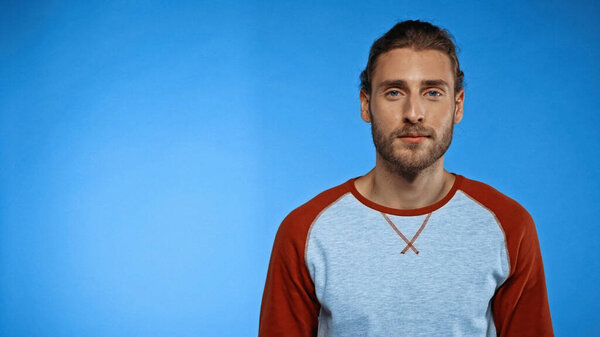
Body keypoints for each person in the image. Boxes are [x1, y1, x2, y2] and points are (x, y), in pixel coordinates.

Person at [259, 20, 553, 337]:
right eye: (395, 92)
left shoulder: (508, 224)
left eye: (432, 92)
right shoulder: (305, 231)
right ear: (365, 104)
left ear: (458, 106)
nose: (414, 112)